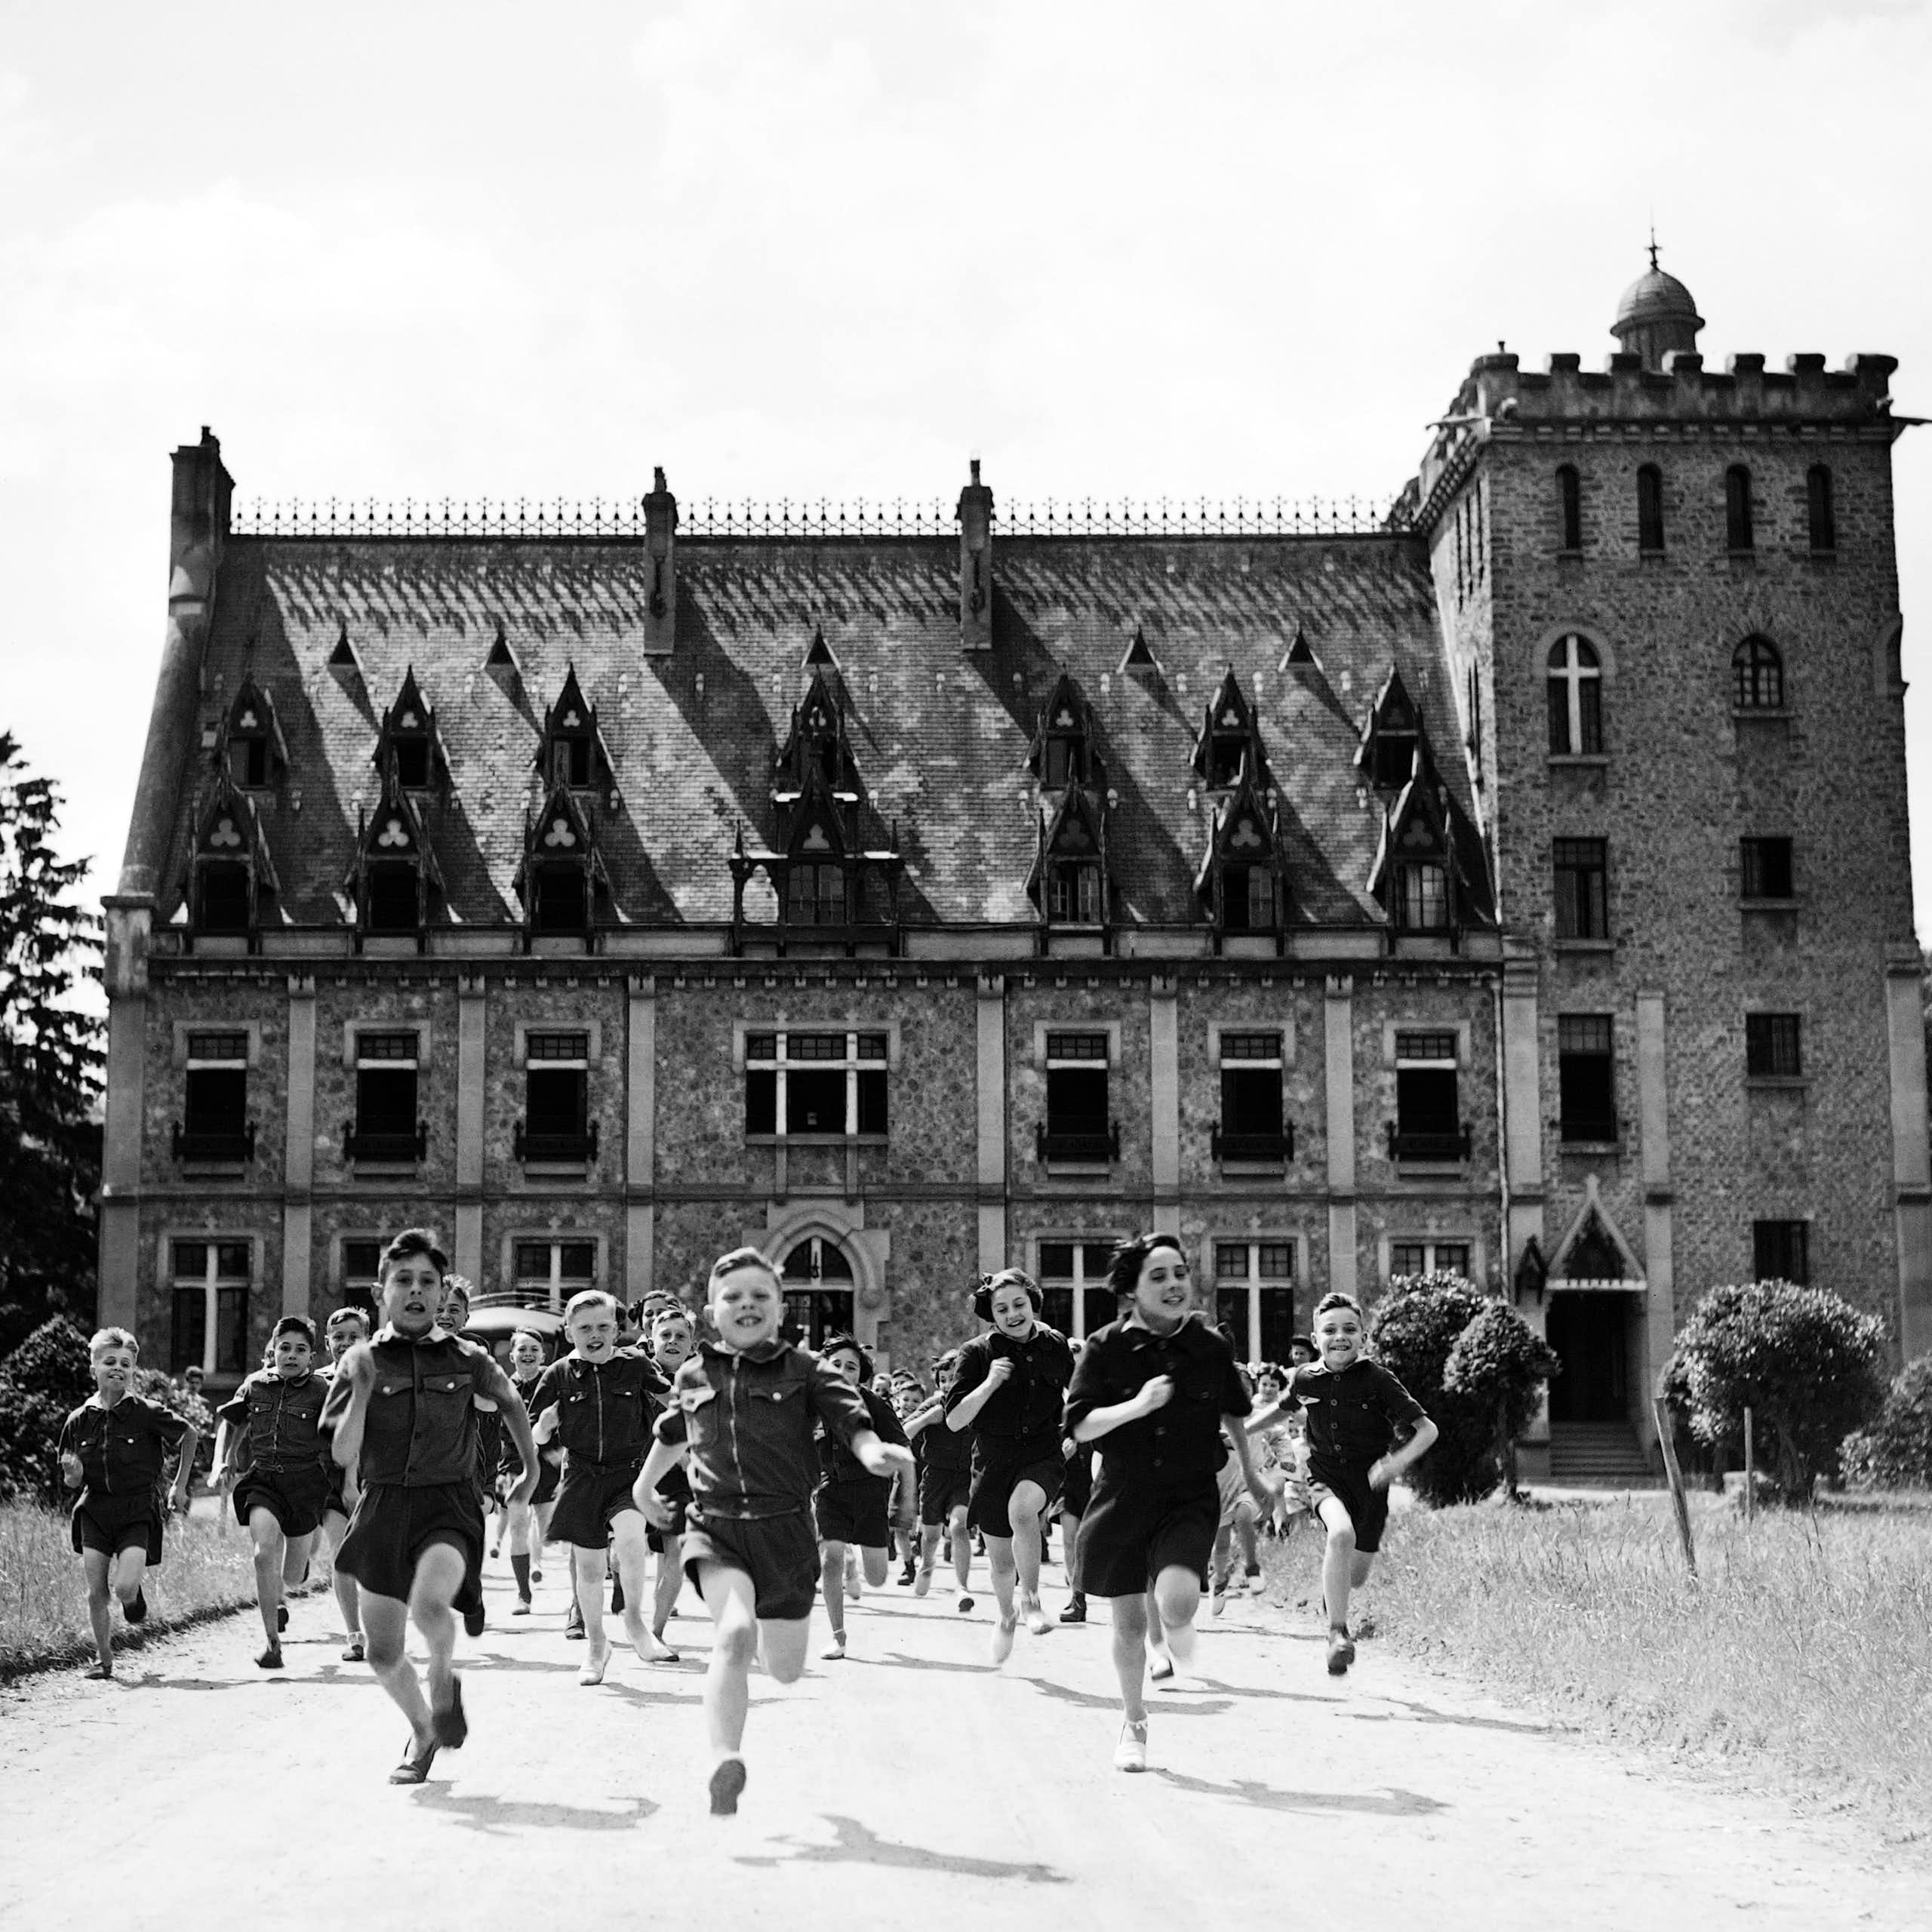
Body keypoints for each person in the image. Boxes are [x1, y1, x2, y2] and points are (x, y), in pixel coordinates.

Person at [634, 1247, 913, 1817]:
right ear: (711, 1314)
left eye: (760, 1295)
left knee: (784, 1669)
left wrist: (870, 1450)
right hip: (716, 1528)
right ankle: (722, 1761)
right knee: (734, 1634)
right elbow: (674, 1433)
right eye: (733, 1296)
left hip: (786, 1531)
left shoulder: (807, 1371)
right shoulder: (694, 1372)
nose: (746, 1304)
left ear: (781, 1310)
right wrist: (644, 1490)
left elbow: (850, 1420)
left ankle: (776, 1633)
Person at [321, 1229, 540, 1784]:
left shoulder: (468, 1357)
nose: (416, 1291)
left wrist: (530, 1469)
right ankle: (423, 1730)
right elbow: (342, 1452)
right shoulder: (359, 1360)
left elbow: (512, 1403)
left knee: (429, 1604)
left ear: (443, 1293)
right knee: (382, 1653)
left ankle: (442, 1676)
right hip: (382, 1507)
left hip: (449, 1505)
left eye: (428, 1282)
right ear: (380, 1293)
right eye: (404, 1281)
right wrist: (365, 1390)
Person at [1065, 1233, 1276, 1772]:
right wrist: (1135, 1406)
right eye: (1158, 1276)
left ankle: (1179, 1625)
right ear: (1132, 1290)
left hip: (1188, 1494)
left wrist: (1251, 1474)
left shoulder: (1209, 1347)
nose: (1174, 1284)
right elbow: (1083, 1423)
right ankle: (1133, 1721)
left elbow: (1235, 1409)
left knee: (1178, 1599)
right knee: (1129, 1626)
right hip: (1123, 1495)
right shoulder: (1105, 1346)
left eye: (1179, 1273)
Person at [1281, 1291, 1436, 1675]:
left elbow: (1427, 1430)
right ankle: (1337, 1633)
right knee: (1339, 1536)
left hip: (1371, 1483)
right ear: (1316, 1339)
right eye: (1330, 1330)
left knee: (1356, 1576)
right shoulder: (1305, 1378)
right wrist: (1237, 1432)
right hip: (1324, 1475)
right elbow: (1278, 1410)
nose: (1340, 1337)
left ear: (1364, 1337)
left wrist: (1395, 1464)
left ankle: (1333, 1598)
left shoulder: (1379, 1379)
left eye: (1350, 1329)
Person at [528, 1290, 675, 1684]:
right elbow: (538, 1438)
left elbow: (672, 1399)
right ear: (570, 1331)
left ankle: (635, 1625)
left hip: (628, 1471)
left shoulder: (636, 1364)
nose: (595, 1334)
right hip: (580, 1475)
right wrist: (545, 1425)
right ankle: (597, 1647)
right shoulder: (557, 1373)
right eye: (585, 1328)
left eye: (604, 1326)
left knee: (630, 1537)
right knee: (590, 1569)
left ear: (617, 1328)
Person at [943, 1268, 1075, 1660]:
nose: (1013, 1314)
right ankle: (1006, 1615)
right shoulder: (976, 1353)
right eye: (1002, 1308)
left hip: (1043, 1453)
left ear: (1032, 1302)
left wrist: (1077, 1431)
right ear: (991, 1313)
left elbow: (1079, 1392)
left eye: (1019, 1304)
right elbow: (953, 1420)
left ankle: (1032, 1600)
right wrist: (989, 1383)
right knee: (1001, 1561)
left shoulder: (1055, 1345)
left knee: (1022, 1511)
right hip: (994, 1460)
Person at [59, 1328, 198, 1681]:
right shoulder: (79, 1420)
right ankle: (103, 1661)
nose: (117, 1369)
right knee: (95, 1592)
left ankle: (133, 1599)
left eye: (126, 1363)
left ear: (133, 1370)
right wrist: (74, 1474)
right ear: (94, 1369)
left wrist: (179, 1487)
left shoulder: (146, 1413)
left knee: (121, 1589)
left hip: (137, 1510)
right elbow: (71, 1481)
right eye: (109, 1362)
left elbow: (189, 1435)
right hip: (95, 1511)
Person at [211, 1314, 333, 1669]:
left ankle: (297, 1572)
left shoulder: (320, 1392)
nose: (291, 1355)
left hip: (305, 1483)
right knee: (263, 1554)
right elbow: (232, 1422)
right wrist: (224, 1459)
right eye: (285, 1348)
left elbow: (338, 1435)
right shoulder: (255, 1385)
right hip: (264, 1480)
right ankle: (271, 1643)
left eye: (300, 1350)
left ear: (312, 1357)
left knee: (293, 1576)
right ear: (273, 1350)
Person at [814, 1333, 910, 1660]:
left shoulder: (875, 1404)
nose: (843, 1371)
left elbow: (902, 1444)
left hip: (870, 1493)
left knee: (878, 1577)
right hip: (831, 1491)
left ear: (861, 1373)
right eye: (835, 1365)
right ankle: (838, 1637)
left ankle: (854, 1565)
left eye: (851, 1367)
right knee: (830, 1560)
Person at [641, 1304, 698, 1647]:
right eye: (665, 1335)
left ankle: (656, 1631)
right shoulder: (635, 1374)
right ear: (652, 1340)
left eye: (681, 1336)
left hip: (680, 1481)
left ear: (692, 1344)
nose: (673, 1341)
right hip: (634, 1477)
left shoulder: (701, 1383)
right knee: (624, 1557)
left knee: (675, 1552)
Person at [317, 1306, 371, 1659]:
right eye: (339, 1337)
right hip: (327, 1480)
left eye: (354, 1337)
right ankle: (354, 1634)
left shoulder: (375, 1377)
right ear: (327, 1343)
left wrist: (353, 1481)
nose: (346, 1343)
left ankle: (383, 1624)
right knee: (341, 1555)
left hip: (372, 1475)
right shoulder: (317, 1381)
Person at [903, 1352, 974, 1607]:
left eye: (952, 1379)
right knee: (931, 1536)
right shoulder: (934, 1404)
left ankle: (962, 1588)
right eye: (943, 1380)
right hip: (935, 1477)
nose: (947, 1385)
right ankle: (926, 1563)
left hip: (965, 1478)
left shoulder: (975, 1404)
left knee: (959, 1527)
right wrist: (927, 1418)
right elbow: (904, 1432)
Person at [498, 1325, 560, 1615]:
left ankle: (538, 1563)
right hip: (514, 1465)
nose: (528, 1354)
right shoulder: (502, 1387)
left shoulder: (552, 1384)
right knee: (518, 1527)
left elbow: (565, 1421)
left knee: (545, 1527)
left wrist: (558, 1451)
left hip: (546, 1465)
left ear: (543, 1355)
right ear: (512, 1356)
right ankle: (523, 1594)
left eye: (534, 1349)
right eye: (522, 1349)